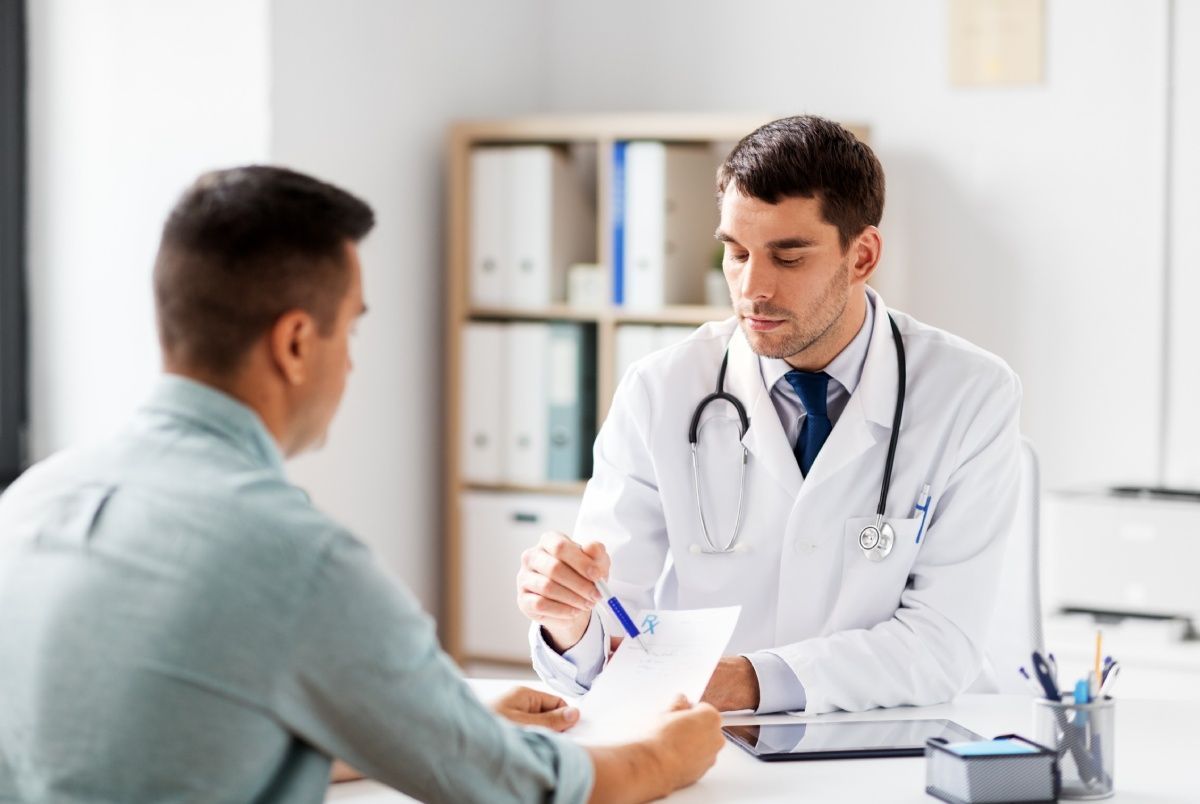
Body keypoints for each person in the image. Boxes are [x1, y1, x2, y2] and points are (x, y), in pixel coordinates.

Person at [0, 166, 722, 803]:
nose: (349, 365)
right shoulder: (292, 559)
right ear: (293, 344)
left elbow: (170, 749)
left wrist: (430, 725)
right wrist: (665, 755)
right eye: (349, 331)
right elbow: (516, 788)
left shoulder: (30, 502)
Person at [517, 115, 1023, 716]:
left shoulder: (970, 393)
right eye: (734, 253)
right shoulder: (662, 389)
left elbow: (943, 642)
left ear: (862, 255)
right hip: (708, 741)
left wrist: (744, 680)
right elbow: (606, 627)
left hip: (882, 743)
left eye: (788, 257)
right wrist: (569, 623)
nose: (752, 287)